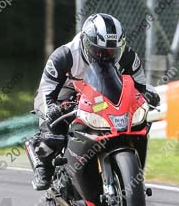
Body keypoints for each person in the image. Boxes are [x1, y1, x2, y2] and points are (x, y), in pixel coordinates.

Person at [31, 13, 160, 190]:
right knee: (54, 134)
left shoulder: (128, 56)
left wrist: (149, 95)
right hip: (65, 94)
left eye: (111, 51)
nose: (105, 56)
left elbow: (141, 86)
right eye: (99, 50)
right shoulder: (64, 55)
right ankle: (42, 164)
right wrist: (51, 108)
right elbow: (45, 90)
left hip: (101, 96)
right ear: (85, 42)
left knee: (136, 125)